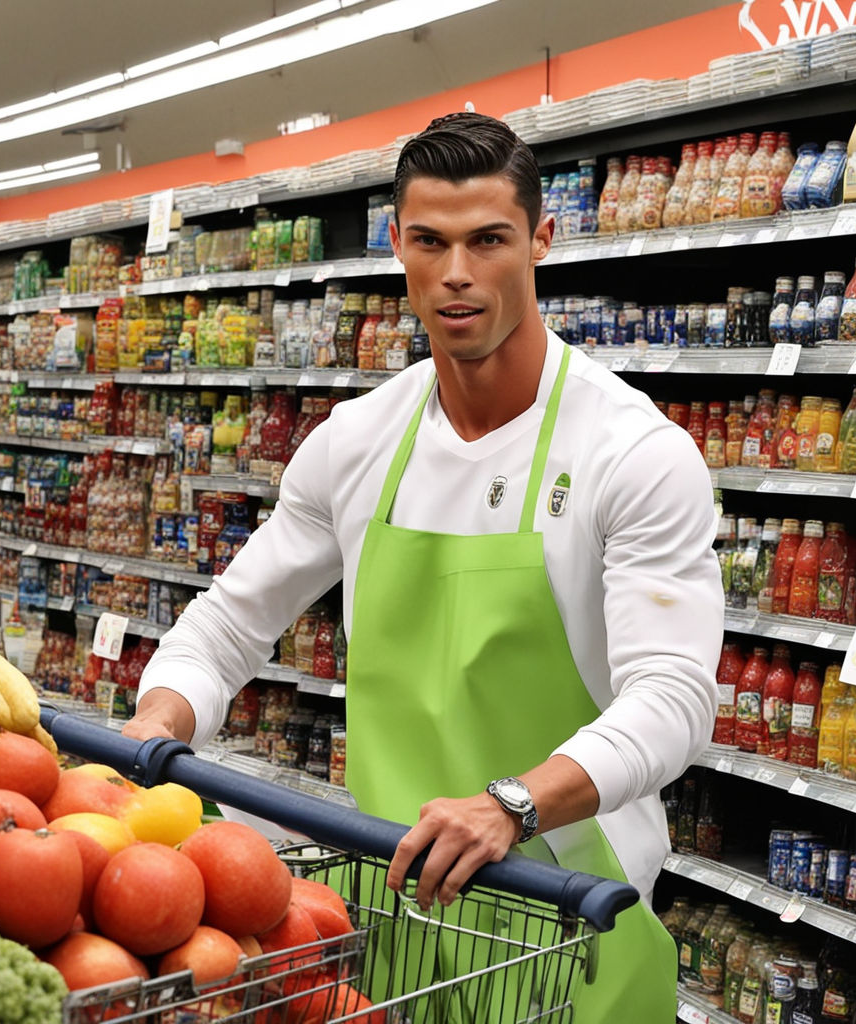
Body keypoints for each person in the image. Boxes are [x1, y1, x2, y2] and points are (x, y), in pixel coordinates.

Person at [124, 111, 723, 1021]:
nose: (456, 274)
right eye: (429, 242)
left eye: (489, 241)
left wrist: (513, 804)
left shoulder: (632, 452)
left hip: (574, 925)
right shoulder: (360, 441)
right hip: (399, 920)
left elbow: (675, 696)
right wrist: (159, 721)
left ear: (542, 241)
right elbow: (229, 623)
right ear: (396, 246)